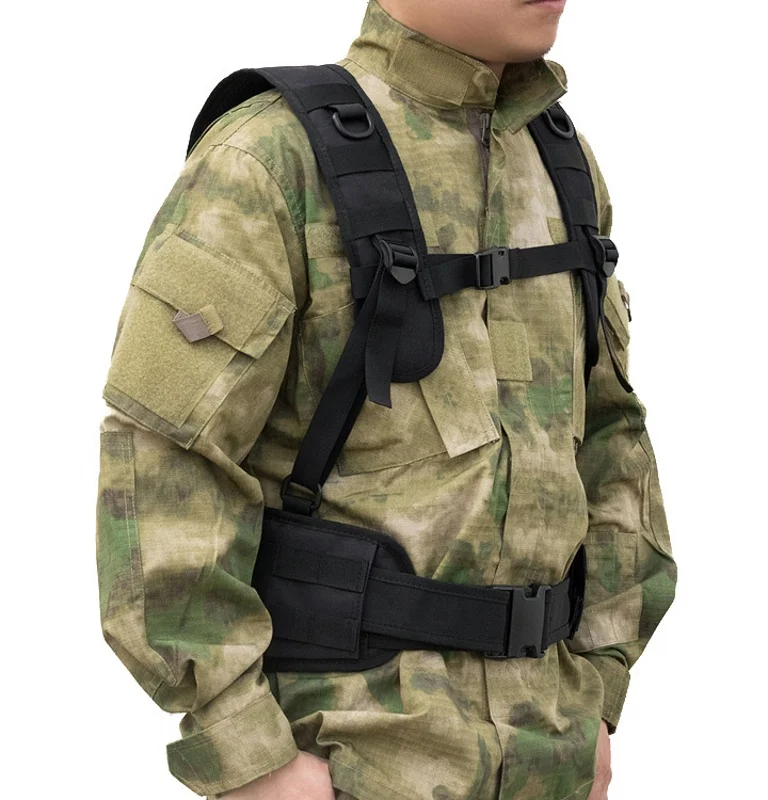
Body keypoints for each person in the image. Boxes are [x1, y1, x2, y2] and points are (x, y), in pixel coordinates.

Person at [95, 0, 677, 798]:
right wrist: (247, 754)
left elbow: (611, 436)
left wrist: (600, 696)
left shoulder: (558, 161)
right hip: (353, 758)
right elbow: (164, 461)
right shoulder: (270, 158)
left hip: (553, 758)